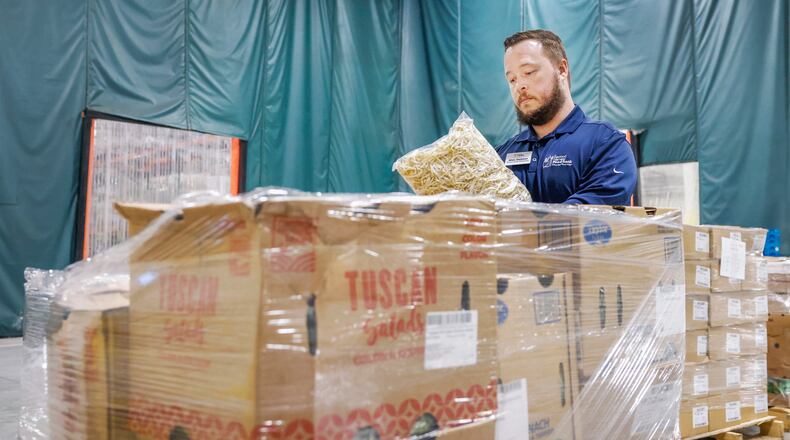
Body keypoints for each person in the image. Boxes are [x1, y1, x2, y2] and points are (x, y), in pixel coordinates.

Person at [497, 29, 637, 205]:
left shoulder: (606, 144)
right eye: (512, 80)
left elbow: (590, 219)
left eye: (529, 72)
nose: (519, 86)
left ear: (562, 69)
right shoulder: (502, 155)